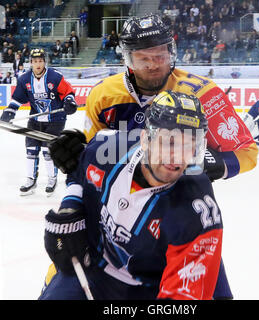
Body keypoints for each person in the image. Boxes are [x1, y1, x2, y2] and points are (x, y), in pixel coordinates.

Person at [47, 14, 258, 299]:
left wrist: (210, 163)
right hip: (114, 217)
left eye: (160, 55)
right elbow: (87, 167)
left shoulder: (203, 94)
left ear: (171, 52)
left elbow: (246, 151)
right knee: (59, 278)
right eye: (142, 57)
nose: (153, 64)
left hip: (179, 216)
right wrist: (73, 161)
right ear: (127, 59)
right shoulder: (104, 95)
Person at [40, 90, 224, 300]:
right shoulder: (108, 148)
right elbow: (79, 171)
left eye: (189, 146)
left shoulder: (197, 208)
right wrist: (70, 206)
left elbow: (182, 297)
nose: (177, 157)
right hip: (92, 269)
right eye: (169, 143)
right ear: (146, 139)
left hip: (148, 290)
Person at [0, 48, 78, 196]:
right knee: (31, 149)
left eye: (40, 61)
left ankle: (51, 178)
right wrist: (10, 111)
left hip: (56, 120)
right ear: (31, 63)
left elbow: (68, 92)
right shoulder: (24, 79)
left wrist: (69, 101)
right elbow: (17, 99)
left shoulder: (54, 77)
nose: (38, 64)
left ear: (44, 62)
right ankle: (30, 179)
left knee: (47, 150)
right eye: (35, 61)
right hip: (35, 119)